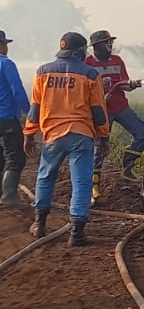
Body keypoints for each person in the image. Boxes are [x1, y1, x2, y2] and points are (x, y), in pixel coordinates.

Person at [24, 32, 110, 246]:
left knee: (45, 177)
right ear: (80, 51)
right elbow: (98, 110)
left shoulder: (43, 72)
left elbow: (35, 108)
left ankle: (39, 224)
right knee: (81, 183)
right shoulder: (90, 74)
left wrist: (28, 134)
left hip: (52, 135)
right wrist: (104, 136)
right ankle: (77, 234)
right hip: (81, 135)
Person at [86, 30, 144, 184]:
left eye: (111, 42)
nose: (110, 45)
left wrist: (131, 85)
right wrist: (100, 97)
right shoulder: (87, 64)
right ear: (96, 47)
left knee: (143, 133)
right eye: (107, 43)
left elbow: (124, 84)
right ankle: (94, 182)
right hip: (101, 111)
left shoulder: (117, 61)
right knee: (100, 145)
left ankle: (127, 167)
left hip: (120, 108)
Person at [0, 30, 31, 206]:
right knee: (15, 157)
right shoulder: (6, 64)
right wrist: (28, 113)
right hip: (6, 118)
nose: (6, 48)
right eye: (4, 44)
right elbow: (17, 90)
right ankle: (9, 196)